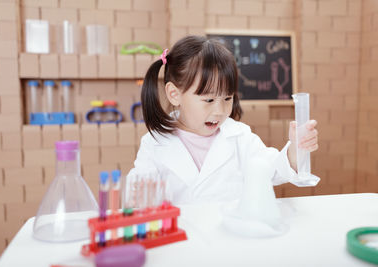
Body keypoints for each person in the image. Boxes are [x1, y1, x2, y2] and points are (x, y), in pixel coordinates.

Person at [128, 35, 319, 204]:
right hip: (183, 241)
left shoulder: (239, 137)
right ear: (174, 94)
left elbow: (273, 169)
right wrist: (138, 197)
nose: (219, 110)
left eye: (228, 98)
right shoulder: (154, 144)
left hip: (229, 239)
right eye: (209, 100)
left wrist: (295, 148)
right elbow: (135, 196)